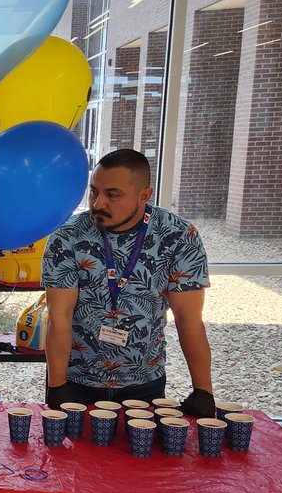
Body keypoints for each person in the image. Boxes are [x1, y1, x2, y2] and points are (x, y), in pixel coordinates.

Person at [42, 148, 215, 416]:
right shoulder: (68, 238)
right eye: (94, 191)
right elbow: (59, 315)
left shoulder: (178, 236)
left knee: (139, 455)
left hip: (144, 382)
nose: (98, 203)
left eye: (112, 194)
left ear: (144, 195)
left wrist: (203, 390)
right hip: (76, 381)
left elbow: (188, 319)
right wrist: (57, 384)